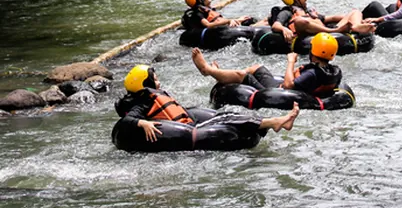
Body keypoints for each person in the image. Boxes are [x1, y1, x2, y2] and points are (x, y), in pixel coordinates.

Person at [120, 65, 299, 143]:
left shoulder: (148, 98)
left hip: (190, 123)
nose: (159, 83)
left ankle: (268, 124)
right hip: (187, 129)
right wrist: (142, 122)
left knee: (225, 115)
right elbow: (127, 120)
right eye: (155, 80)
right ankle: (273, 122)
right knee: (228, 117)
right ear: (145, 85)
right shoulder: (143, 101)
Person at [192, 32, 342, 97]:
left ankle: (208, 70)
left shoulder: (312, 73)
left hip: (278, 92)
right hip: (280, 87)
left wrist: (290, 62)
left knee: (243, 76)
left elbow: (289, 86)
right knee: (257, 67)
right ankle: (222, 75)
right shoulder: (331, 71)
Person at [270, 0, 375, 42]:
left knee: (355, 11)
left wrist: (353, 19)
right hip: (314, 35)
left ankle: (356, 26)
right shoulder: (288, 11)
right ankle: (337, 30)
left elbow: (332, 18)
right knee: (299, 20)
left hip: (330, 30)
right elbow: (276, 25)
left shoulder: (309, 11)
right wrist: (284, 29)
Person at [182, 0, 262, 31]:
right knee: (251, 27)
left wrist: (237, 20)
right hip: (214, 33)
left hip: (222, 28)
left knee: (249, 20)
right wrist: (228, 21)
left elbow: (218, 20)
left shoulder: (207, 10)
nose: (211, 0)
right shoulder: (198, 14)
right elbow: (209, 25)